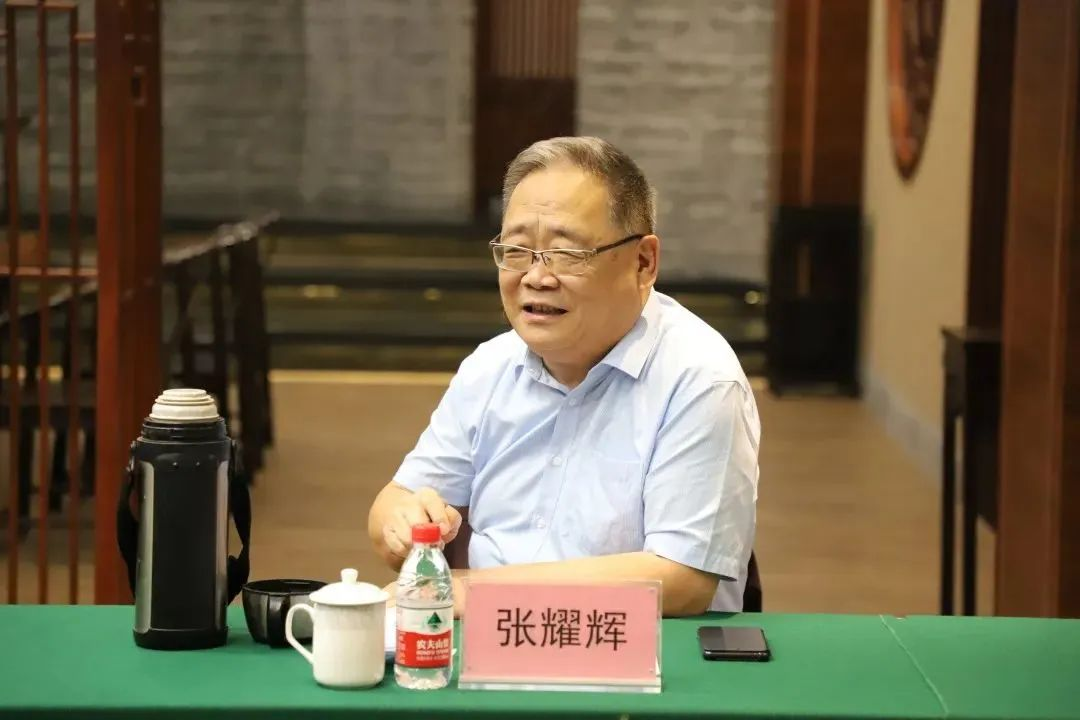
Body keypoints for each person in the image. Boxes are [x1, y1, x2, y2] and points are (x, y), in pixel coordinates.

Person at [367, 136, 760, 616]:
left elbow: (682, 579)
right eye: (517, 250)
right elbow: (396, 501)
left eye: (567, 254)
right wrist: (401, 525)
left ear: (643, 262)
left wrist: (474, 592)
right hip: (491, 642)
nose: (536, 277)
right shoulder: (491, 367)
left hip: (640, 650)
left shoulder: (699, 379)